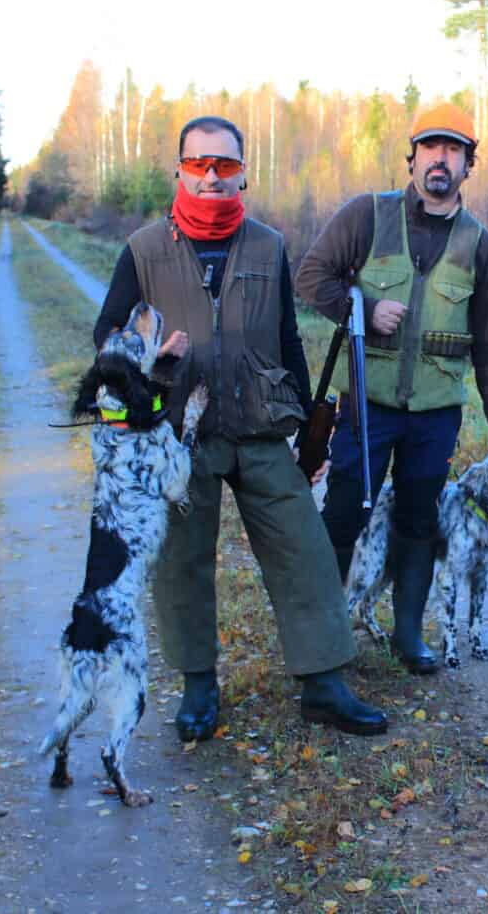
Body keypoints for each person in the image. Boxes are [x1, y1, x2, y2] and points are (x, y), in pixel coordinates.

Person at [92, 115, 387, 739]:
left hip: (259, 424)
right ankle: (198, 686)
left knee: (303, 546)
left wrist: (310, 430)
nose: (211, 177)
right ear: (179, 170)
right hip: (179, 431)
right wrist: (147, 367)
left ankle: (324, 683)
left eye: (224, 165)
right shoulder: (144, 250)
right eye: (199, 164)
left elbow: (285, 338)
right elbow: (108, 339)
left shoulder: (267, 244)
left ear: (242, 172)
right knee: (182, 559)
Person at [295, 102, 488, 675]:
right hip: (366, 404)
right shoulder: (367, 215)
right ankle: (321, 636)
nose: (440, 159)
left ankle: (408, 635)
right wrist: (364, 310)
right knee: (345, 511)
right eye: (430, 147)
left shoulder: (480, 244)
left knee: (421, 520)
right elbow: (311, 276)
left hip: (435, 413)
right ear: (412, 156)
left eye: (454, 150)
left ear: (469, 165)